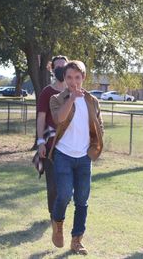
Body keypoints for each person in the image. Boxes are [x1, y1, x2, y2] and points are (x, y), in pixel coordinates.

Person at [48, 60, 104, 255]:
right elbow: (59, 119)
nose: (73, 81)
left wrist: (94, 147)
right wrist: (71, 98)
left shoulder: (92, 101)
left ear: (83, 78)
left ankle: (77, 240)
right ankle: (58, 224)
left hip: (84, 158)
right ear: (64, 78)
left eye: (77, 77)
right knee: (63, 195)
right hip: (63, 155)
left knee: (82, 200)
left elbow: (99, 126)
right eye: (69, 77)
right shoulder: (57, 99)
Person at [36, 55, 68, 220]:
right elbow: (41, 118)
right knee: (53, 186)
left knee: (68, 186)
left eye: (64, 65)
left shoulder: (73, 92)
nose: (61, 69)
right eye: (58, 67)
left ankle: (59, 212)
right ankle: (54, 216)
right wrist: (40, 142)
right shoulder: (47, 93)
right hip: (51, 147)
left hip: (70, 146)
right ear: (52, 69)